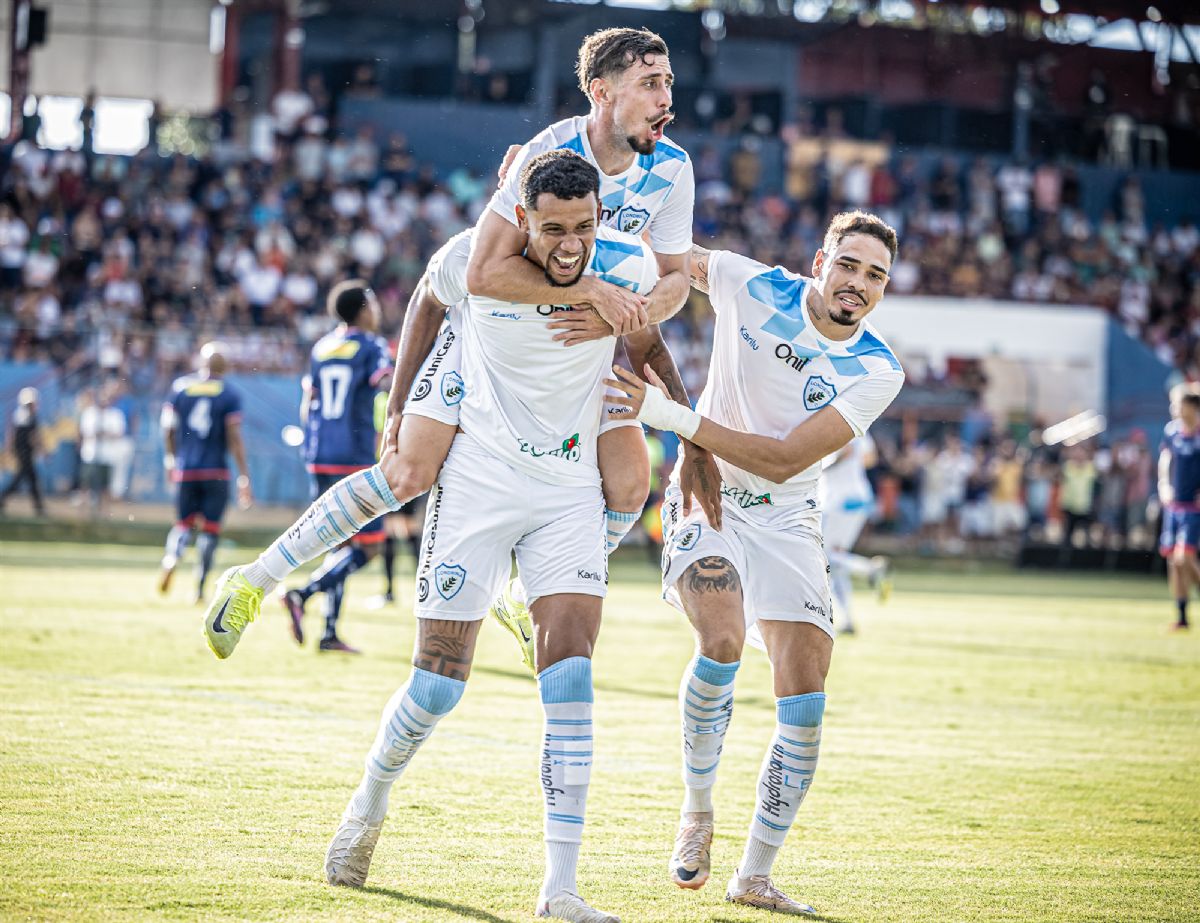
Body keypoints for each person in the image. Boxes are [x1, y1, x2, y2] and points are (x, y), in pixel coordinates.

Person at [200, 26, 718, 665]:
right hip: (485, 333)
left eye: (668, 81)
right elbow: (472, 275)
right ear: (601, 93)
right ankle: (255, 579)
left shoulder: (673, 169)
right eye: (651, 82)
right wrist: (592, 292)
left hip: (572, 348)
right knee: (408, 471)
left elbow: (671, 283)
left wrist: (624, 312)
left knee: (631, 486)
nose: (667, 96)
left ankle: (521, 591)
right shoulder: (547, 153)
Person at [318, 151, 663, 923]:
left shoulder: (627, 265)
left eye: (582, 227)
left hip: (567, 492)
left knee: (570, 673)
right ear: (524, 221)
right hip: (476, 482)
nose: (569, 243)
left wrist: (661, 392)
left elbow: (646, 339)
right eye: (552, 229)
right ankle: (367, 803)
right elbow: (427, 303)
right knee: (439, 680)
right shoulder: (473, 260)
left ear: (599, 218)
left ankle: (561, 888)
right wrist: (400, 405)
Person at [606, 210, 905, 914]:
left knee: (805, 697)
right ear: (820, 260)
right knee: (722, 640)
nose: (858, 284)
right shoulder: (749, 282)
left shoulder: (877, 369)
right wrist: (606, 203)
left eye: (876, 275)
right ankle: (697, 813)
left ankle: (755, 875)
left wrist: (673, 419)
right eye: (850, 265)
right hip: (707, 499)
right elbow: (664, 252)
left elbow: (783, 459)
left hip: (790, 513)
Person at [278, 280, 394, 655]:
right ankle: (303, 594)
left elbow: (306, 403)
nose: (377, 311)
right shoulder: (372, 346)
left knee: (339, 541)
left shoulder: (323, 347)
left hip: (320, 453)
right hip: (355, 456)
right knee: (370, 547)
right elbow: (387, 383)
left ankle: (329, 632)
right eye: (373, 303)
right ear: (363, 309)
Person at [159, 343, 252, 602]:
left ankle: (171, 557)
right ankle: (199, 588)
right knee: (210, 530)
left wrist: (170, 460)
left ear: (201, 364)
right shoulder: (229, 394)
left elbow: (167, 429)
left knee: (182, 524)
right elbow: (234, 436)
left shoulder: (181, 388)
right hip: (215, 471)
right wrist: (244, 474)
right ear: (225, 367)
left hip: (186, 469)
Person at [819, 435, 890, 635]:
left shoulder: (829, 419)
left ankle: (868, 569)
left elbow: (845, 451)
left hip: (838, 501)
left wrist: (814, 467)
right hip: (858, 498)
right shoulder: (861, 425)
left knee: (823, 558)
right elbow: (870, 458)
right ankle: (847, 620)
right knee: (833, 563)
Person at [1158, 391, 1200, 631]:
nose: (1174, 408)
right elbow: (1165, 459)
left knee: (1185, 557)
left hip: (1193, 508)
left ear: (1193, 407)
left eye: (1178, 404)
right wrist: (1163, 485)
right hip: (1173, 506)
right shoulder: (1172, 430)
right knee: (1174, 562)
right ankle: (1182, 617)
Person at [0, 387, 46, 516]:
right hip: (23, 451)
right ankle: (38, 508)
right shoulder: (27, 416)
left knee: (28, 478)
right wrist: (42, 449)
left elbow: (13, 434)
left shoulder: (21, 415)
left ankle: (39, 507)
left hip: (23, 451)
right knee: (25, 479)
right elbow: (33, 436)